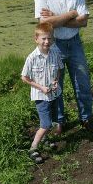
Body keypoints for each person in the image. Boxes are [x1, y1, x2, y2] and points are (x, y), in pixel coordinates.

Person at [34, 0, 93, 132]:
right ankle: (59, 120)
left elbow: (83, 22)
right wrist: (71, 14)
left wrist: (56, 17)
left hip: (74, 43)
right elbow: (45, 25)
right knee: (55, 85)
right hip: (53, 45)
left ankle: (86, 118)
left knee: (82, 81)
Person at [21, 22, 64, 163]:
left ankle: (45, 139)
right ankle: (33, 148)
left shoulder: (55, 53)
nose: (47, 42)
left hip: (54, 94)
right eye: (43, 38)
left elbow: (58, 69)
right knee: (45, 124)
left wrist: (56, 80)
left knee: (51, 120)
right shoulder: (31, 58)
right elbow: (24, 78)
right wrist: (41, 87)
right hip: (41, 96)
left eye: (49, 39)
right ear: (36, 39)